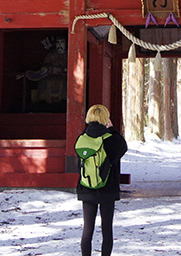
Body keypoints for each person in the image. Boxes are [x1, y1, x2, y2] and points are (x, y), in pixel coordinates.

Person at [76, 104, 128, 256]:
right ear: (106, 118)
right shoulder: (111, 139)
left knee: (87, 230)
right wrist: (111, 129)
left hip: (86, 188)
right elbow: (122, 147)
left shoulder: (82, 139)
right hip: (108, 188)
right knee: (107, 229)